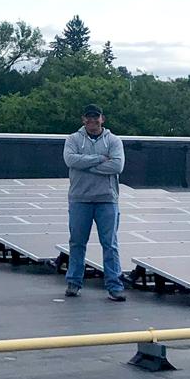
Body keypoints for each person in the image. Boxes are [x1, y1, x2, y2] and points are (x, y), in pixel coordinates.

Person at [63, 103, 126, 302]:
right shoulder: (73, 139)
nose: (92, 121)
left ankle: (115, 286)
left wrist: (86, 165)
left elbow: (117, 165)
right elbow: (71, 160)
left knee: (110, 245)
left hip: (107, 200)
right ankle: (74, 282)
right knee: (77, 243)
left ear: (102, 119)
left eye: (95, 117)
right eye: (88, 117)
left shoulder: (114, 140)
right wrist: (99, 159)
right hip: (80, 199)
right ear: (83, 120)